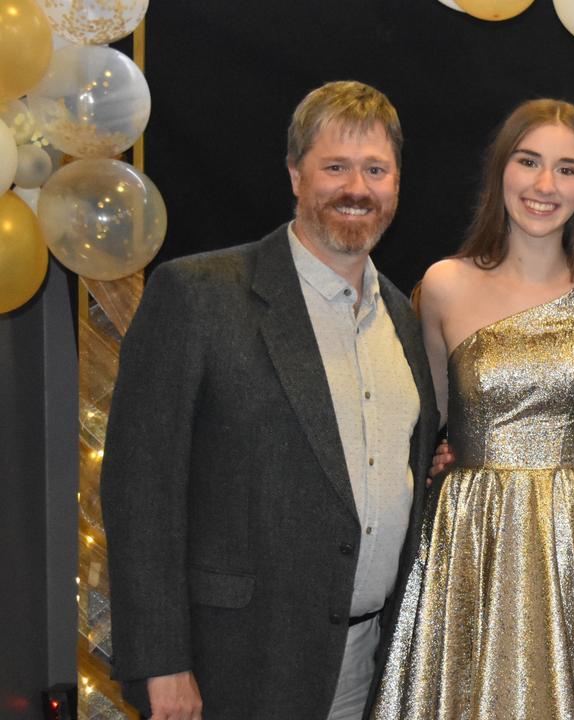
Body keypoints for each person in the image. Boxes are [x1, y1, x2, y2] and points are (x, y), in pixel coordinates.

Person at [100, 81, 438, 720]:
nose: (356, 189)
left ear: (396, 184)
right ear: (295, 175)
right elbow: (140, 489)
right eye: (334, 167)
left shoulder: (404, 318)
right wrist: (162, 662)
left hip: (368, 665)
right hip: (229, 669)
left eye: (375, 170)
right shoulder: (197, 296)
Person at [370, 99, 574, 720]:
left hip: (569, 543)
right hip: (465, 538)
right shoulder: (443, 284)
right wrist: (445, 458)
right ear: (502, 171)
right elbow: (424, 425)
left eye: (567, 169)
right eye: (529, 162)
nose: (545, 185)